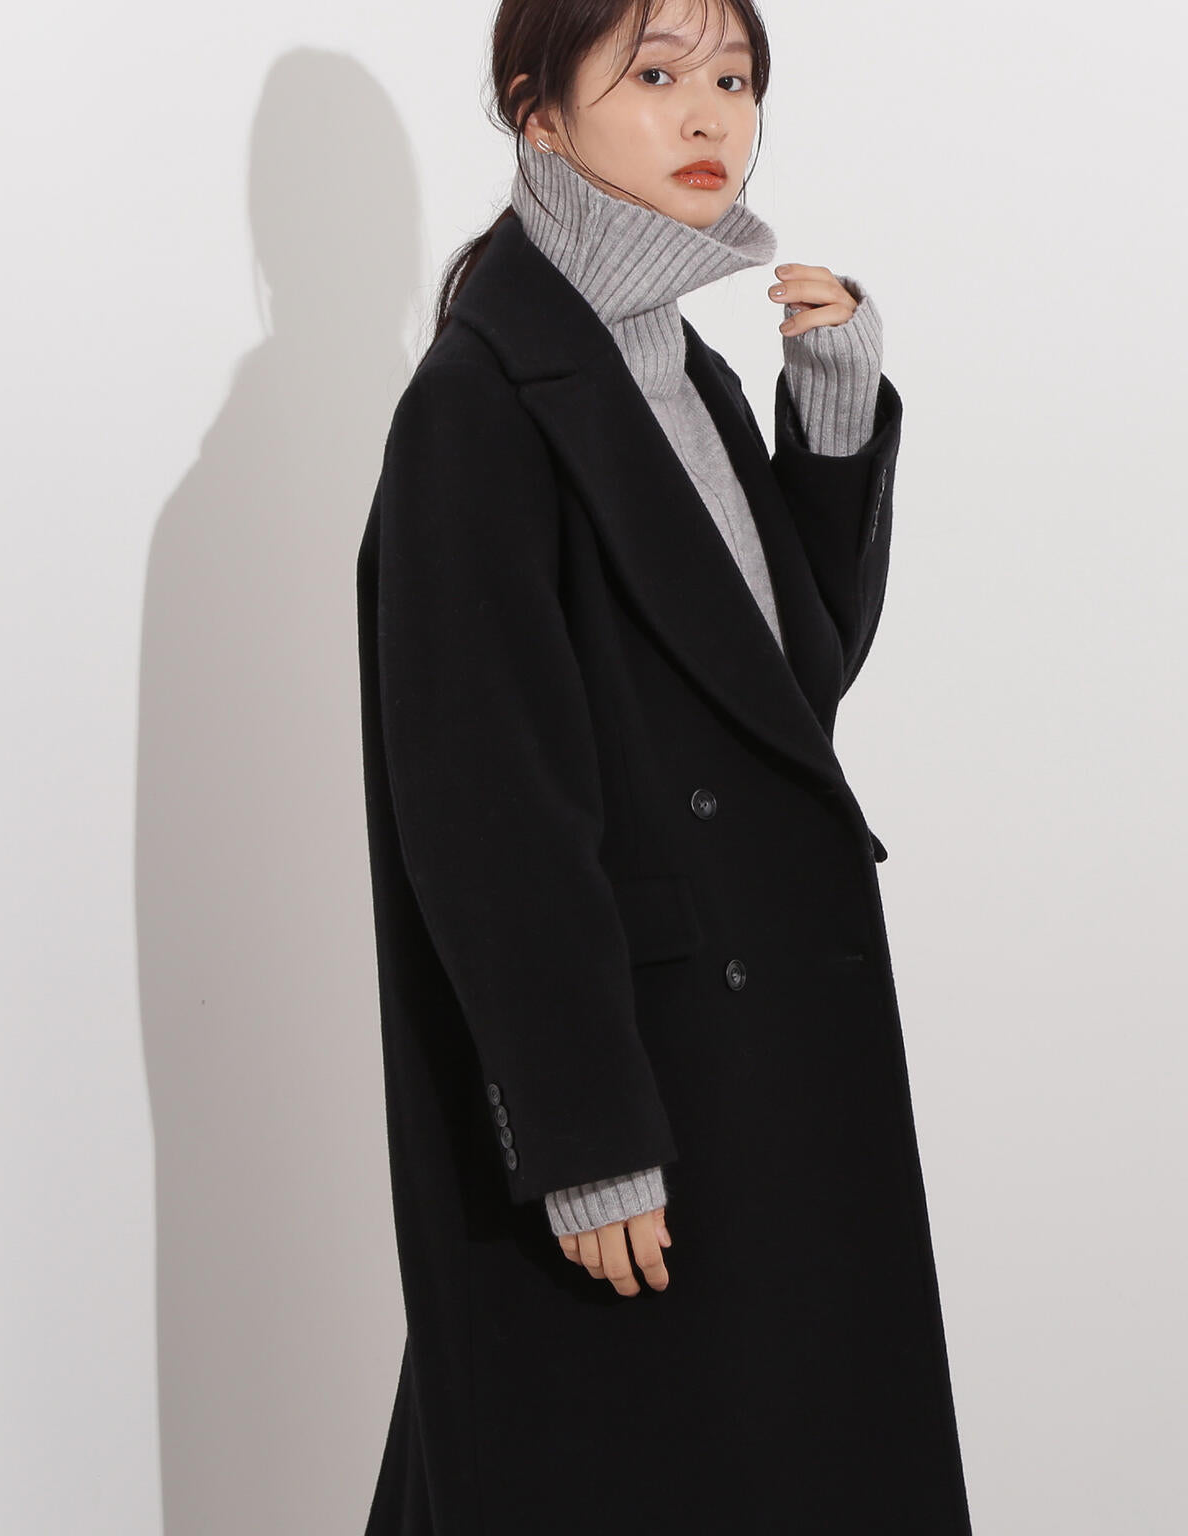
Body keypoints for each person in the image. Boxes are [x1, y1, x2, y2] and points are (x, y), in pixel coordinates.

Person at [355, 0, 974, 1529]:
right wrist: (582, 1137)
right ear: (537, 112)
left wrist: (830, 414)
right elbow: (486, 815)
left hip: (755, 1056)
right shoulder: (476, 410)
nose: (711, 115)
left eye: (734, 77)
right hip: (644, 1082)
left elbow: (783, 694)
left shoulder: (679, 368)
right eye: (656, 74)